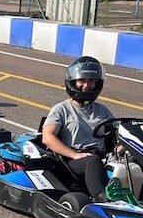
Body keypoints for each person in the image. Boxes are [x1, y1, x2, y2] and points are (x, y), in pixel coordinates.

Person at [42, 56, 116, 200]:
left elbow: (118, 132)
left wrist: (122, 146)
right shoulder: (62, 109)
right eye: (82, 80)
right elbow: (47, 137)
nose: (86, 86)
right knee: (93, 161)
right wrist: (74, 155)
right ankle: (102, 199)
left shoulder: (102, 110)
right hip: (72, 161)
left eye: (91, 81)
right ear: (73, 82)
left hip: (101, 157)